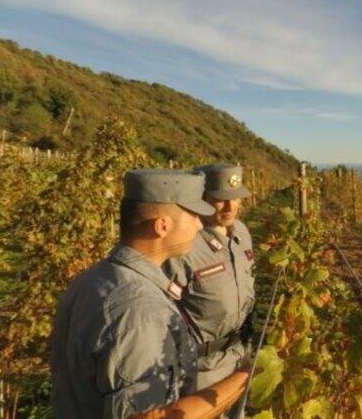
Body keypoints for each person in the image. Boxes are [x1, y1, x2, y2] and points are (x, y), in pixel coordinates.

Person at [50, 169, 250, 418]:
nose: (200, 225)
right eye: (193, 216)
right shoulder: (139, 310)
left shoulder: (95, 279)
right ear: (162, 225)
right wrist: (245, 376)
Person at [164, 164, 256, 418]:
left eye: (235, 199)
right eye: (220, 200)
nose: (229, 207)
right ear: (203, 199)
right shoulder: (186, 244)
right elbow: (163, 308)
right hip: (203, 369)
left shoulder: (242, 233)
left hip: (239, 353)